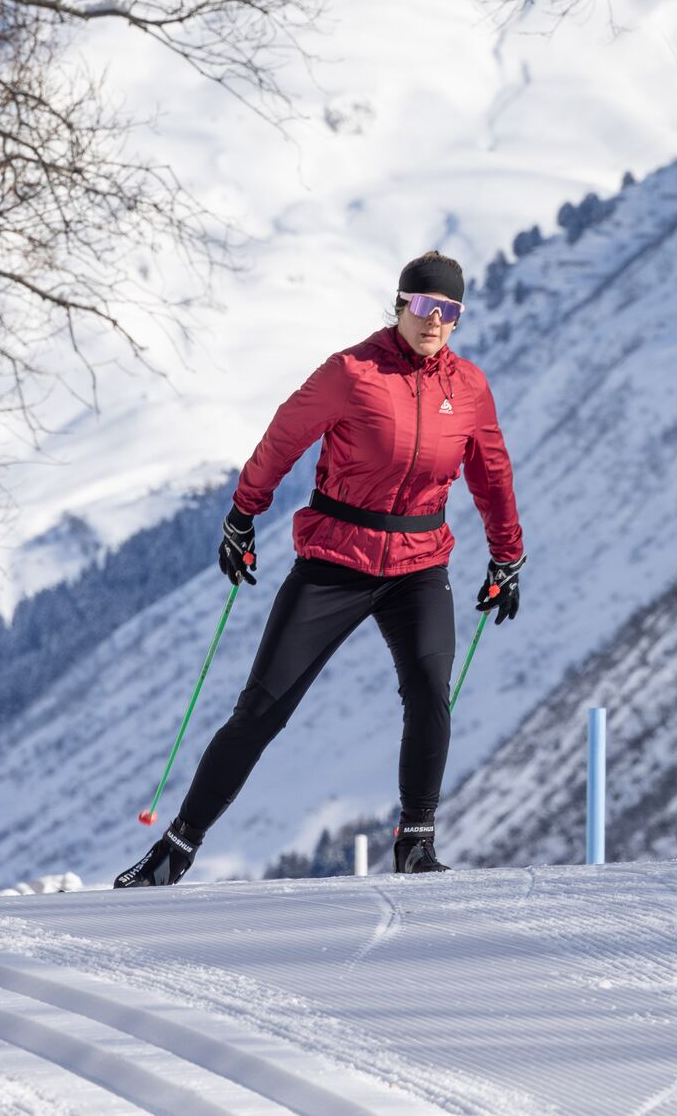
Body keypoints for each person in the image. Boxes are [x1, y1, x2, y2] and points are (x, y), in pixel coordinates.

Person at [116, 252, 526, 887]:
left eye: (449, 312)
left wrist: (508, 555)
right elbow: (284, 438)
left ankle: (416, 844)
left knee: (428, 694)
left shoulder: (468, 388)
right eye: (423, 306)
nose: (435, 321)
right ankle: (175, 848)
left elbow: (491, 474)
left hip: (419, 564)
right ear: (399, 305)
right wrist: (242, 514)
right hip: (335, 559)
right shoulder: (351, 373)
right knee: (264, 708)